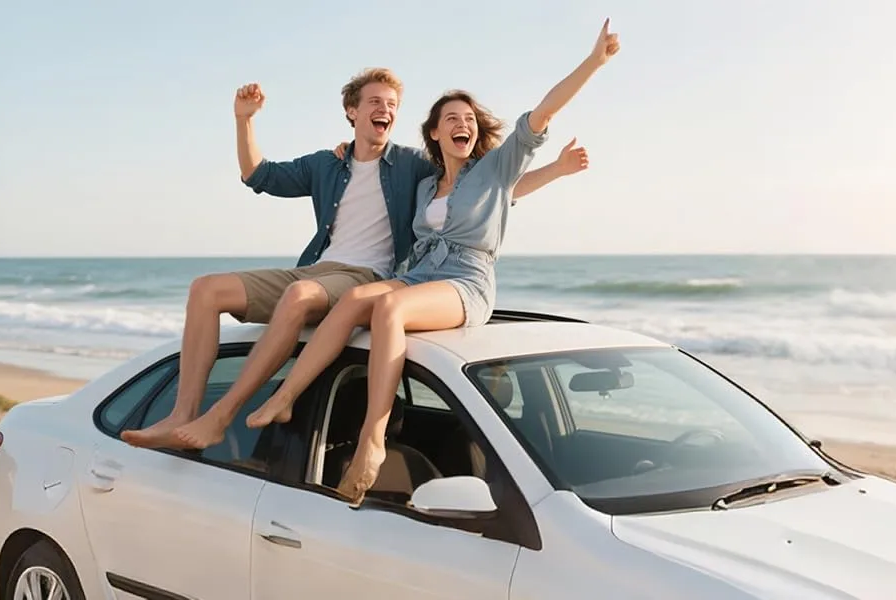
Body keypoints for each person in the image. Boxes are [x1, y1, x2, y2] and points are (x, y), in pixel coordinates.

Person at [242, 19, 623, 504]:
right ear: (435, 133)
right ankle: (285, 396)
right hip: (418, 274)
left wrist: (593, 62)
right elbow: (495, 198)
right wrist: (344, 151)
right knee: (357, 298)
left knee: (388, 310)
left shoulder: (493, 169)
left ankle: (373, 440)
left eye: (469, 118)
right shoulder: (423, 184)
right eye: (451, 119)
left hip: (466, 281)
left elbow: (542, 115)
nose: (462, 124)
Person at [120, 68, 588, 450]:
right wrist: (245, 121)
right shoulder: (329, 164)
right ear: (352, 112)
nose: (384, 111)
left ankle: (224, 415)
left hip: (369, 276)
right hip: (315, 267)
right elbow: (257, 175)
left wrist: (555, 171)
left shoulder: (412, 166)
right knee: (206, 289)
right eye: (375, 103)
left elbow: (490, 193)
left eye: (392, 105)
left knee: (303, 296)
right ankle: (181, 414)